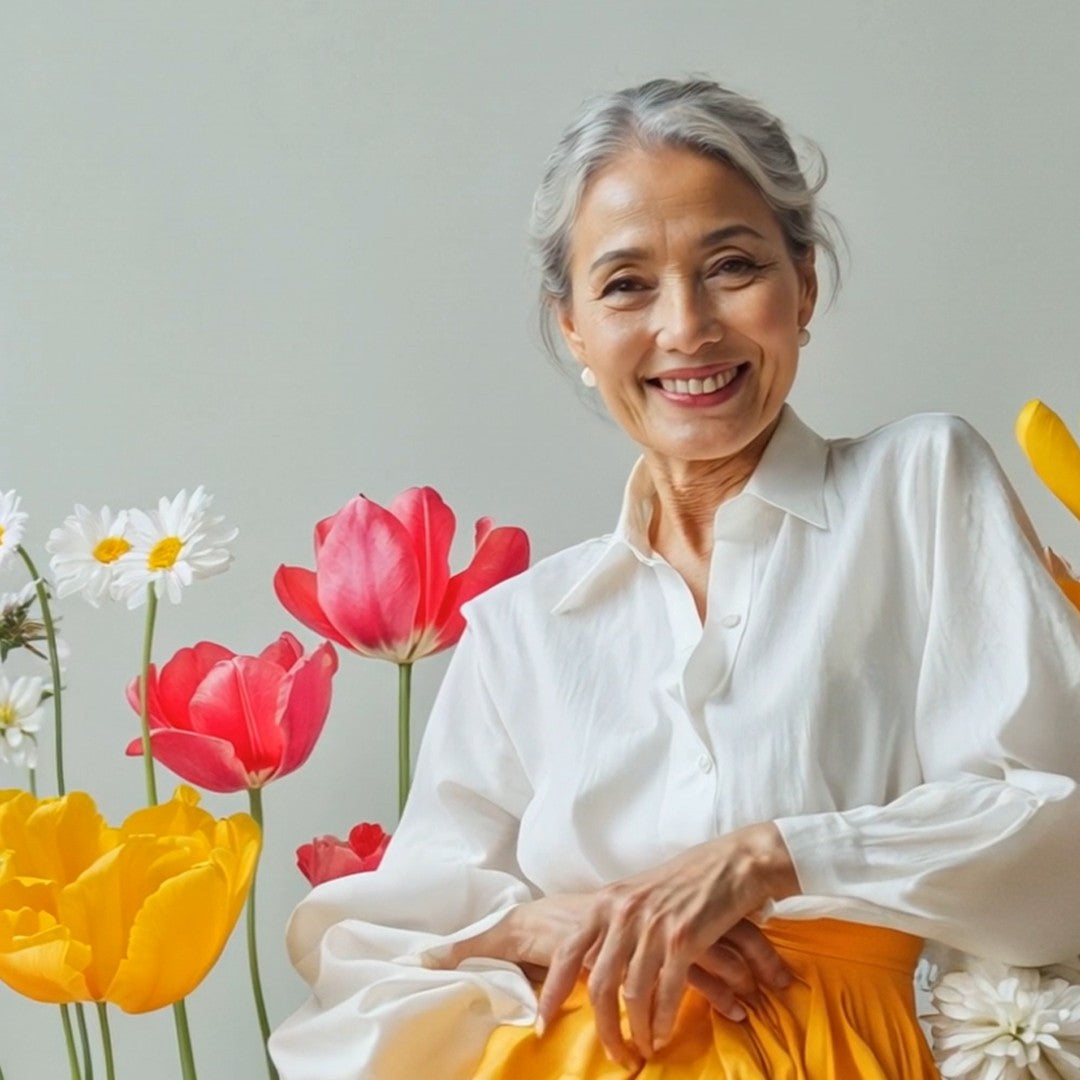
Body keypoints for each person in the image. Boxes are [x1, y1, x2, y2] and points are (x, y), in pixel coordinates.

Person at [269, 77, 1080, 1079]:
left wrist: (763, 859)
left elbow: (1057, 840)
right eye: (625, 284)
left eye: (731, 266)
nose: (687, 326)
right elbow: (368, 954)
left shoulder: (918, 485)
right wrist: (543, 923)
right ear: (572, 326)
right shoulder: (526, 627)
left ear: (805, 284)